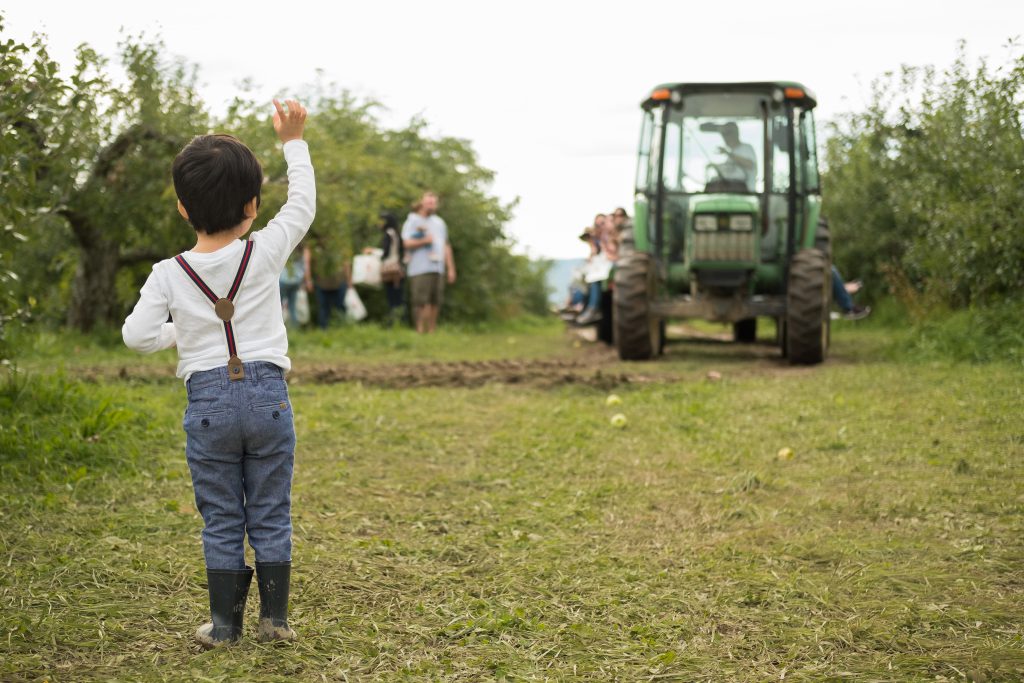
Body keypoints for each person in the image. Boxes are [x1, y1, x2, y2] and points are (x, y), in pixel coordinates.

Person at [121, 99, 312, 648]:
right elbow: (301, 205)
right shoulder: (267, 250)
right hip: (269, 397)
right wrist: (292, 142)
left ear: (183, 209)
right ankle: (275, 620)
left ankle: (224, 625)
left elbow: (136, 337)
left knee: (222, 514)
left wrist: (182, 331)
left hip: (207, 405)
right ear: (253, 204)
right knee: (271, 507)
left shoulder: (168, 274)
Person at [402, 191, 456, 334]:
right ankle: (419, 330)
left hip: (437, 267)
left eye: (434, 203)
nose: (432, 205)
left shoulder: (439, 223)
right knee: (420, 300)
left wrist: (450, 268)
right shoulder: (412, 220)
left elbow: (446, 246)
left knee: (435, 301)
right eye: (429, 202)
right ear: (421, 202)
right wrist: (424, 241)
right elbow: (406, 243)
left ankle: (432, 330)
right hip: (419, 267)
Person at [303, 233, 351, 329]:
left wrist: (349, 280)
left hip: (338, 282)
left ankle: (341, 329)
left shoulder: (339, 245)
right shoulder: (314, 247)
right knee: (325, 309)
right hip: (323, 283)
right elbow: (306, 263)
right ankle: (325, 331)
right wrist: (308, 280)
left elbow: (346, 263)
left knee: (338, 308)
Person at [376, 210, 405, 326]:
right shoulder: (397, 233)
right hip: (398, 268)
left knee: (392, 297)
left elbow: (386, 253)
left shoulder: (389, 233)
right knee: (398, 297)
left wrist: (373, 252)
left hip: (390, 270)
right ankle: (399, 321)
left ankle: (394, 322)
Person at [716, 122, 757, 191]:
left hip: (746, 194)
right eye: (723, 134)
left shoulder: (746, 148)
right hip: (730, 193)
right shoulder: (732, 153)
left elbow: (749, 164)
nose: (724, 137)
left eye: (727, 133)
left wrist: (727, 153)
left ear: (736, 133)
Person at [279, 249, 305, 326]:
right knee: (292, 306)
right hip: (295, 282)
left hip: (284, 281)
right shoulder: (299, 253)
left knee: (278, 305)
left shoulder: (286, 250)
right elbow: (303, 268)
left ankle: (277, 326)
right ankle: (294, 327)